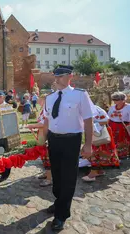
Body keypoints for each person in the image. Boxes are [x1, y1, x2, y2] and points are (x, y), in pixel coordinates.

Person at [43, 65, 94, 231]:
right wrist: (43, 139)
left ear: (70, 76)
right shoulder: (50, 98)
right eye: (55, 76)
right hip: (53, 140)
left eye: (61, 76)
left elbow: (88, 120)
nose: (57, 79)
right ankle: (59, 203)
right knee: (56, 176)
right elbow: (47, 120)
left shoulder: (80, 95)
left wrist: (88, 144)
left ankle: (61, 214)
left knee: (68, 178)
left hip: (71, 140)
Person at [82, 105, 120, 182]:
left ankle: (93, 174)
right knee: (97, 152)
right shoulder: (84, 108)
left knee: (96, 153)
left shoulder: (94, 108)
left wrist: (93, 126)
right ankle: (99, 171)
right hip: (95, 133)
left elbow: (106, 120)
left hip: (101, 133)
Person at [108, 92, 130, 159]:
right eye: (114, 99)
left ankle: (125, 154)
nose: (114, 101)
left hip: (124, 127)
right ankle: (115, 153)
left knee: (126, 140)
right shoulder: (112, 107)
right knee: (113, 140)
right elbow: (108, 118)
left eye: (116, 99)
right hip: (112, 126)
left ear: (123, 100)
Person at [27, 108, 52, 187]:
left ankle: (49, 179)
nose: (39, 101)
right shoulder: (43, 110)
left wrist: (33, 125)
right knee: (44, 157)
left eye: (41, 100)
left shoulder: (48, 109)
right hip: (42, 136)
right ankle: (47, 174)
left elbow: (44, 123)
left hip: (46, 137)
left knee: (47, 157)